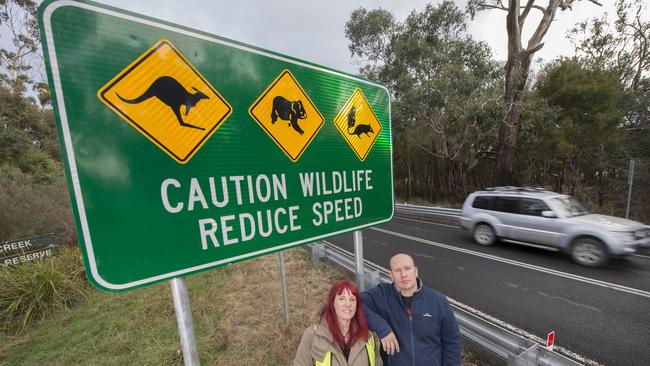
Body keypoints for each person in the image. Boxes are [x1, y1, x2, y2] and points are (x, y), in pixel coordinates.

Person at [361, 253, 461, 366]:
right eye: (397, 270)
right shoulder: (382, 294)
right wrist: (382, 328)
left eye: (407, 269)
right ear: (391, 275)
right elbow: (354, 302)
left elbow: (452, 341)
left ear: (416, 271)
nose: (403, 274)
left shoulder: (436, 300)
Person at [294, 279, 383, 366]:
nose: (348, 304)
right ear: (332, 303)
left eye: (352, 299)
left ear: (357, 306)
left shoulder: (368, 337)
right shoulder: (313, 335)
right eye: (342, 299)